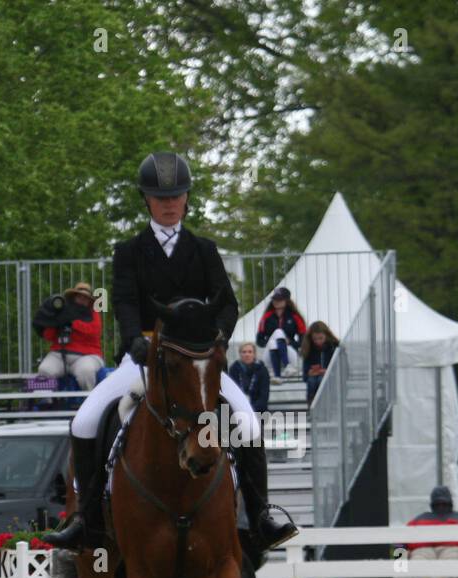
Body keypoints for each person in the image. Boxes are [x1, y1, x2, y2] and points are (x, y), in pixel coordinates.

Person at [46, 151, 296, 553]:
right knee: (85, 420)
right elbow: (125, 302)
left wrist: (215, 341)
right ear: (147, 199)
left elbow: (227, 305)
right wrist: (134, 340)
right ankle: (85, 518)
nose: (168, 204)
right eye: (160, 197)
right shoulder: (129, 251)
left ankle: (260, 514)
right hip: (145, 355)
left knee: (247, 423)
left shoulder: (204, 249)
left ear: (186, 198)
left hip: (196, 360)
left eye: (176, 196)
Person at [36, 282, 105, 391]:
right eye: (79, 296)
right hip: (59, 354)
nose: (82, 299)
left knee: (86, 371)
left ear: (89, 301)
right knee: (45, 370)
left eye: (85, 297)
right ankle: (47, 403)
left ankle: (88, 404)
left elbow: (93, 331)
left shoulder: (93, 313)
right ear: (74, 297)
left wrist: (72, 322)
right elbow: (48, 336)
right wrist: (53, 322)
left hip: (87, 355)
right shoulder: (62, 311)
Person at [256, 287, 306, 382]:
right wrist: (272, 340)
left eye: (280, 299)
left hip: (289, 352)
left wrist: (289, 342)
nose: (276, 301)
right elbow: (259, 341)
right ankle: (287, 366)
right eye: (275, 299)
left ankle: (278, 375)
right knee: (275, 338)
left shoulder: (295, 317)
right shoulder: (266, 317)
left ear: (286, 301)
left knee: (277, 336)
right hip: (270, 354)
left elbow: (303, 340)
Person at [301, 320, 339, 406]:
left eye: (320, 338)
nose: (318, 341)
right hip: (313, 381)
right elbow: (305, 375)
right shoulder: (308, 349)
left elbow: (343, 370)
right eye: (315, 339)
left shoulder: (335, 347)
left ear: (326, 335)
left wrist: (328, 371)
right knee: (312, 381)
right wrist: (309, 372)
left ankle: (326, 406)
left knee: (322, 380)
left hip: (332, 381)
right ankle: (312, 406)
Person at [228, 342, 270, 414]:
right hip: (238, 410)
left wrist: (251, 410)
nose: (247, 354)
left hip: (258, 410)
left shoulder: (262, 370)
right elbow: (231, 393)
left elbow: (264, 395)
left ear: (254, 354)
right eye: (244, 352)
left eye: (250, 352)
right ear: (240, 354)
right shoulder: (234, 369)